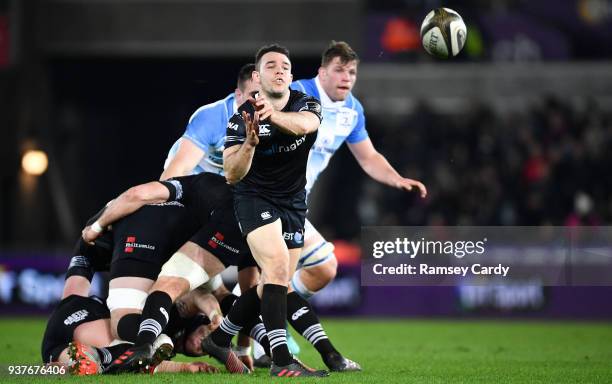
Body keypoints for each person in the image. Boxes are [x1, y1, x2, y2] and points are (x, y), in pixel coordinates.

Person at [212, 43, 325, 378]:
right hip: (254, 200)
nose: (279, 70)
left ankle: (219, 338)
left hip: (292, 202)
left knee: (273, 285)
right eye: (271, 65)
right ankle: (280, 359)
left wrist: (272, 116)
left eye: (285, 66)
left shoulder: (307, 104)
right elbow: (232, 174)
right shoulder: (241, 118)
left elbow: (306, 126)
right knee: (275, 267)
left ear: (290, 76)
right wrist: (248, 144)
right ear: (257, 77)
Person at [289, 41, 427, 298]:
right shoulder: (294, 94)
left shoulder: (352, 111)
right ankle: (258, 332)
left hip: (294, 205)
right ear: (322, 72)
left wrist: (396, 178)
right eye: (340, 70)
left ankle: (238, 326)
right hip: (265, 198)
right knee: (273, 274)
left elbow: (368, 157)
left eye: (351, 72)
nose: (347, 78)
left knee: (323, 269)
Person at [41, 233, 219, 375]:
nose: (201, 344)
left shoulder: (170, 340)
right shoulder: (179, 313)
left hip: (61, 340)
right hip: (83, 312)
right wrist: (216, 316)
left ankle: (64, 363)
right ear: (198, 321)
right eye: (203, 334)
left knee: (86, 365)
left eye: (205, 349)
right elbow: (200, 296)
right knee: (141, 349)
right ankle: (87, 242)